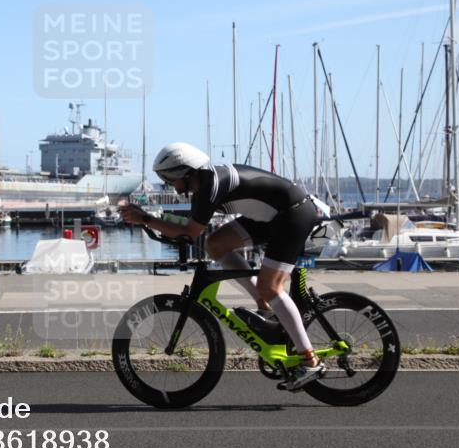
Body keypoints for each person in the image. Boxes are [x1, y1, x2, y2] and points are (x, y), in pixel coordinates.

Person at [119, 143, 326, 390]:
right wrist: (150, 221)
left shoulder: (209, 188)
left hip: (293, 214)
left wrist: (145, 218)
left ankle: (309, 360)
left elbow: (189, 232)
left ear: (184, 172)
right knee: (216, 245)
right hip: (271, 217)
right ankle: (264, 304)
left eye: (169, 178)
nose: (170, 185)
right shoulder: (203, 187)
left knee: (270, 285)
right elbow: (191, 229)